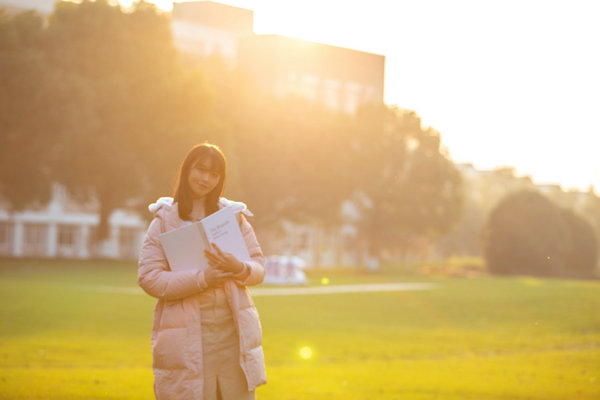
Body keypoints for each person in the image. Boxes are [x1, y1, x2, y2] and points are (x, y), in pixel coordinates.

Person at [138, 143, 267, 400]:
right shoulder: (164, 221)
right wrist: (202, 278)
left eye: (215, 174)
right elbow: (149, 278)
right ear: (187, 171)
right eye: (201, 170)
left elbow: (259, 267)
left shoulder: (234, 217)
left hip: (233, 336)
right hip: (187, 338)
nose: (206, 178)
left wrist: (239, 267)